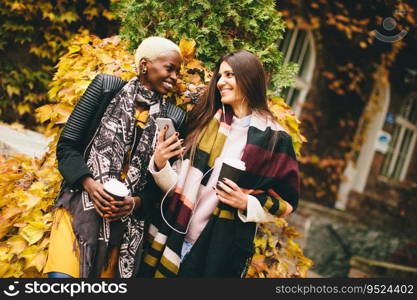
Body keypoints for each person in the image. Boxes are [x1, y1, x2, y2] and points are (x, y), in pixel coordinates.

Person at [139, 50, 300, 277]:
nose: (220, 82)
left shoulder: (273, 138)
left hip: (218, 249)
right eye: (220, 76)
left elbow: (286, 202)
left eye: (229, 75)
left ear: (249, 79)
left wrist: (246, 202)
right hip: (171, 236)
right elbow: (174, 187)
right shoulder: (203, 121)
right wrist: (160, 163)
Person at [44, 36, 186, 278]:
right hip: (79, 207)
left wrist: (134, 203)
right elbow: (67, 147)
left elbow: (160, 188)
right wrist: (90, 185)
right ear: (144, 64)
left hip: (124, 228)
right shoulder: (105, 88)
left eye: (178, 72)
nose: (174, 77)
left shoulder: (173, 118)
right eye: (169, 68)